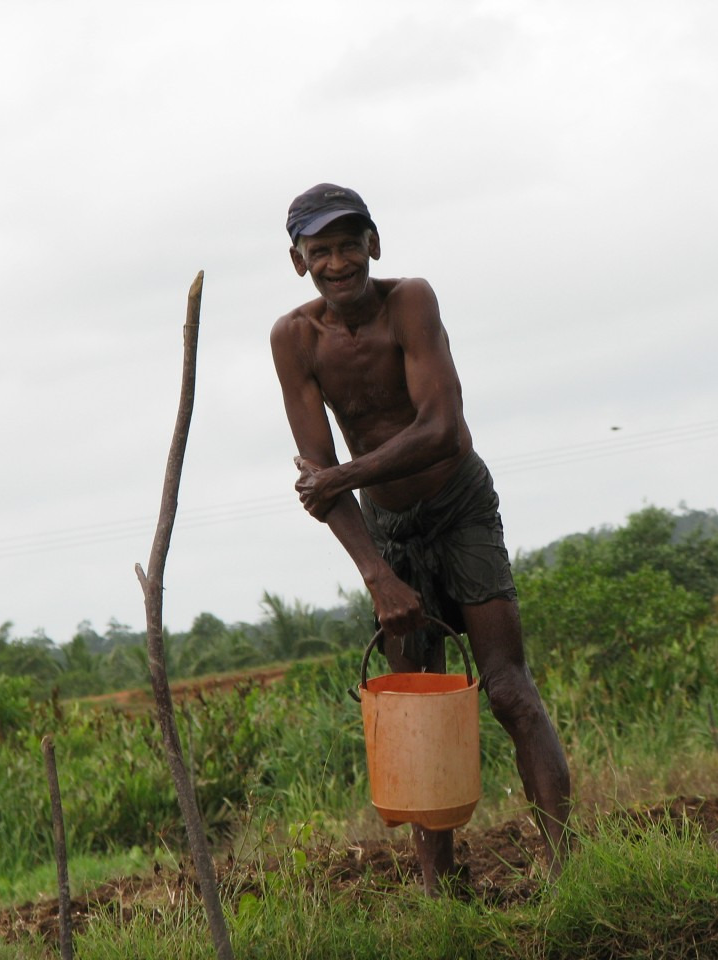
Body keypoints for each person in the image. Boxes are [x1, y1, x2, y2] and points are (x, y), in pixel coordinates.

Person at [269, 183, 572, 894]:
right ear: (298, 261)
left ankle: (567, 873)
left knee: (507, 690)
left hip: (459, 503)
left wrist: (340, 475)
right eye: (322, 251)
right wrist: (378, 575)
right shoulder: (294, 339)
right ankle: (442, 891)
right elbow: (321, 480)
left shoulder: (411, 301)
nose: (338, 262)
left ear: (374, 244)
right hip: (388, 531)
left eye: (350, 245)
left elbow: (443, 430)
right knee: (416, 699)